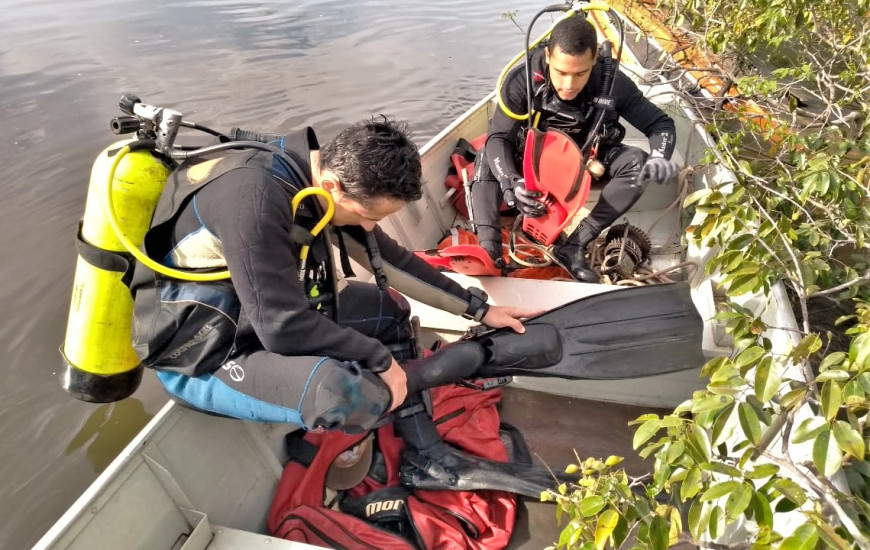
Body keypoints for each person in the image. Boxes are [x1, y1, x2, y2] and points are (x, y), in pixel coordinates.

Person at [131, 117, 538, 433]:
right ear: (333, 186)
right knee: (343, 392)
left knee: (389, 312)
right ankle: (374, 406)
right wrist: (378, 360)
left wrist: (480, 310)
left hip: (259, 311)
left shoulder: (313, 180)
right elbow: (282, 328)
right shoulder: (254, 203)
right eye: (370, 216)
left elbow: (393, 261)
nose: (369, 228)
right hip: (206, 351)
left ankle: (419, 445)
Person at [469, 15, 679, 282]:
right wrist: (512, 183)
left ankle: (575, 244)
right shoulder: (523, 81)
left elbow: (660, 124)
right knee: (487, 154)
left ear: (594, 61)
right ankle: (489, 249)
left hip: (588, 159)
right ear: (547, 57)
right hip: (531, 161)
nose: (569, 85)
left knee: (638, 163)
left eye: (580, 73)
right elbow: (499, 137)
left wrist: (661, 157)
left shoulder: (612, 82)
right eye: (561, 72)